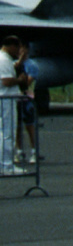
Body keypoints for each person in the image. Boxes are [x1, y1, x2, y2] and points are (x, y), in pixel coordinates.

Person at [0, 35, 28, 176]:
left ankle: (4, 163)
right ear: (11, 46)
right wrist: (19, 80)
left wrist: (20, 61)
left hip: (4, 99)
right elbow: (6, 81)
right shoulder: (4, 60)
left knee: (4, 132)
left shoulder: (4, 59)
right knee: (8, 132)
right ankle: (7, 165)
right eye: (17, 48)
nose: (18, 52)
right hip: (6, 100)